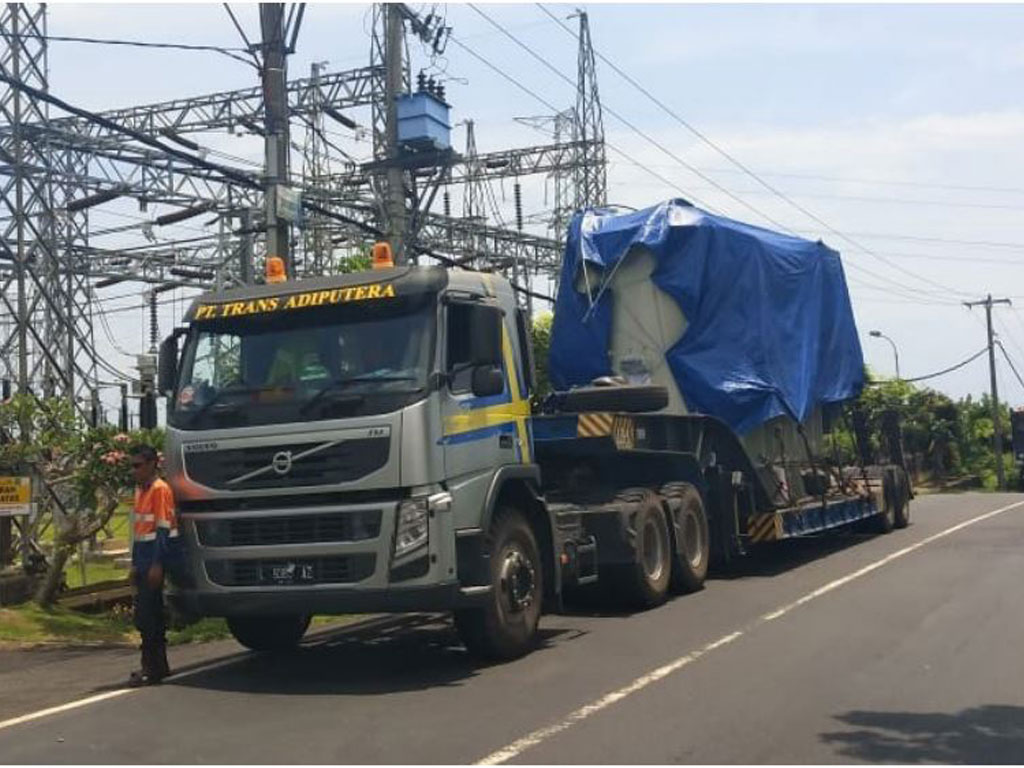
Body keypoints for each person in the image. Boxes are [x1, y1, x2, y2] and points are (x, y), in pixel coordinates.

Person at [127, 444, 182, 686]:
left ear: (151, 465)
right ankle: (157, 665)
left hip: (154, 558)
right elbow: (138, 531)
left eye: (138, 465)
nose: (133, 470)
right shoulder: (140, 490)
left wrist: (157, 564)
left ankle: (152, 667)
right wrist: (134, 564)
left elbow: (162, 529)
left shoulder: (160, 490)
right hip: (142, 558)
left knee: (148, 615)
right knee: (147, 614)